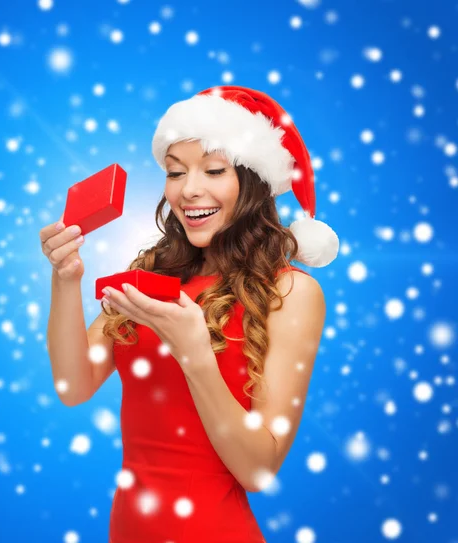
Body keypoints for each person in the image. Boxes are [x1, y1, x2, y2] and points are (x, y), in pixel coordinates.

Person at [42, 85, 339, 543]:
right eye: (175, 172)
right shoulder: (150, 276)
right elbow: (73, 386)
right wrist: (65, 279)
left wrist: (195, 354)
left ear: (253, 180)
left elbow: (259, 470)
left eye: (214, 170)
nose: (189, 190)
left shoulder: (290, 291)